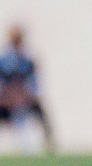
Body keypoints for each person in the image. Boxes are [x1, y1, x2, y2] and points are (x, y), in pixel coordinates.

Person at [0, 25, 55, 153]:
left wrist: (26, 96)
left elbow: (34, 83)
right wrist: (6, 97)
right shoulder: (3, 59)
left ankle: (48, 144)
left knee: (41, 112)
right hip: (6, 100)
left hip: (25, 98)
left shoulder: (28, 59)